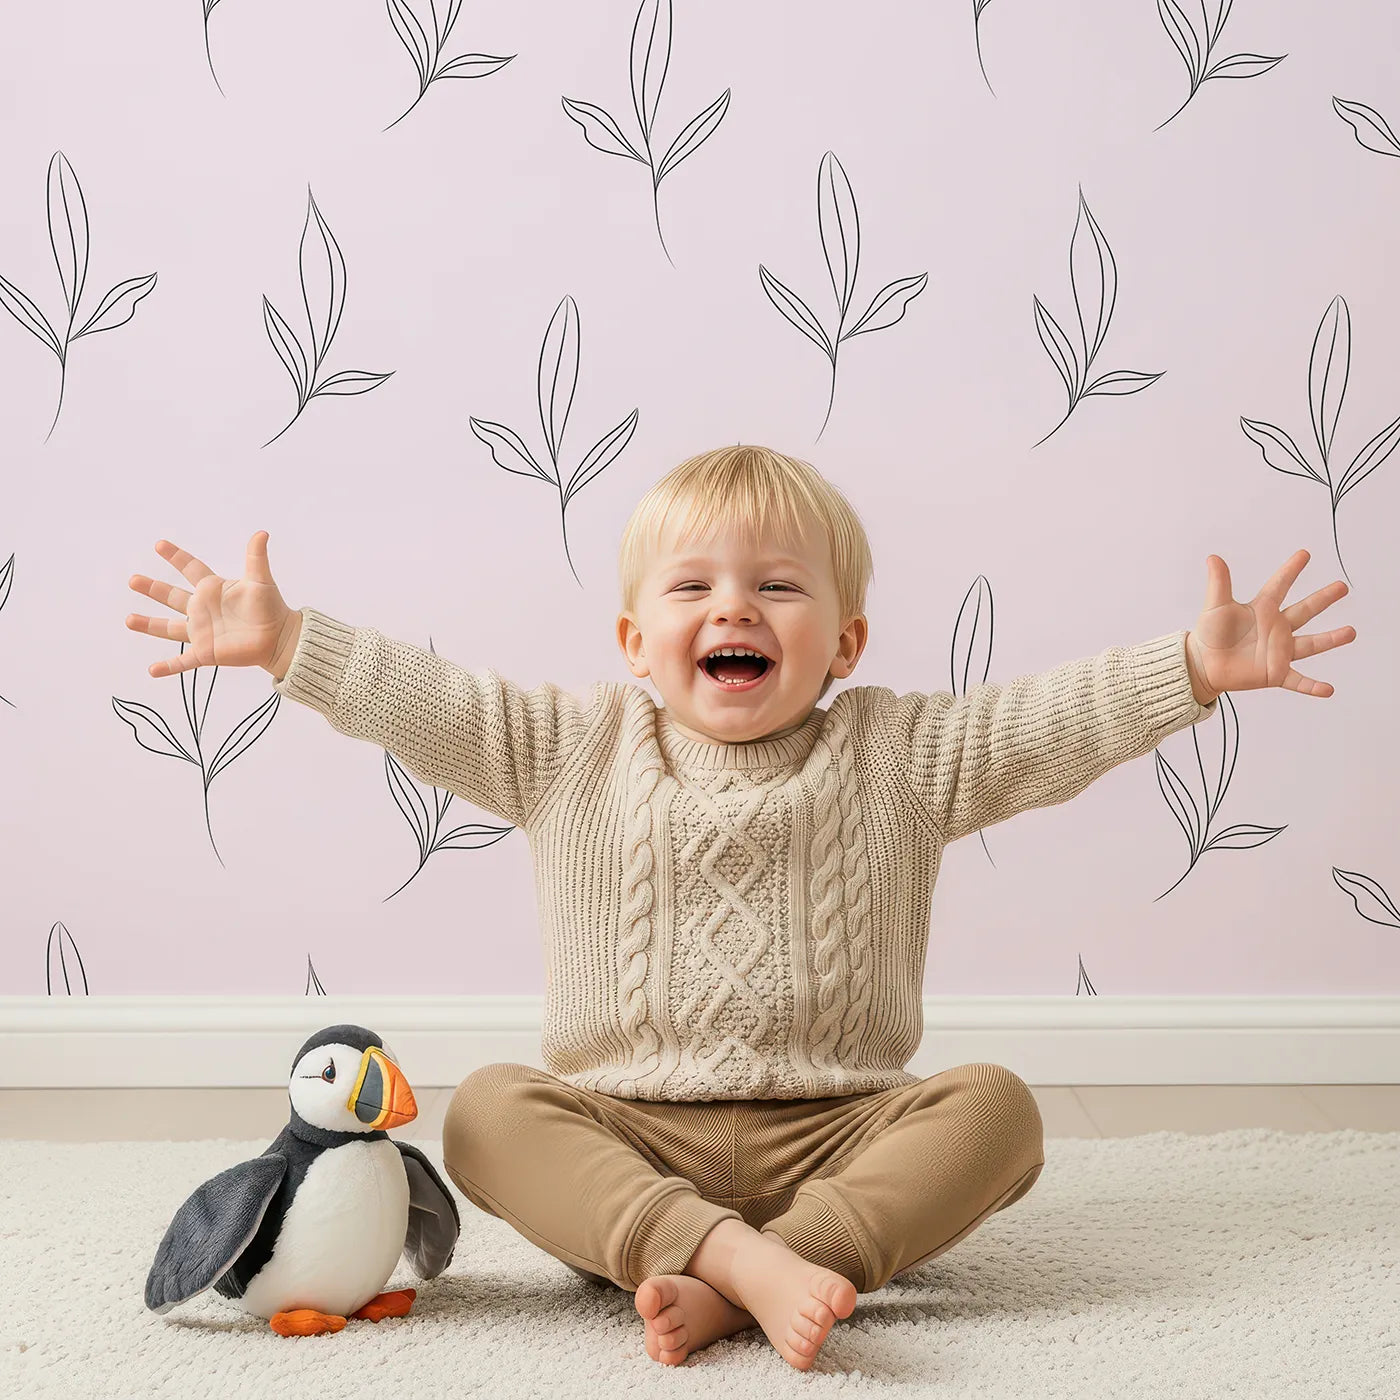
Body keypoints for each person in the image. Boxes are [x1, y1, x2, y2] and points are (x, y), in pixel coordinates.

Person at [124, 444, 1355, 1371]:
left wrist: (1189, 669)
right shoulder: (569, 746)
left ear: (844, 641)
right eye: (692, 586)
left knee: (996, 1109)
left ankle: (758, 1264)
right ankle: (741, 1262)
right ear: (630, 638)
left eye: (777, 585)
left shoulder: (901, 753)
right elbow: (426, 699)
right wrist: (290, 644)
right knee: (491, 1110)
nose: (733, 608)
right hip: (630, 1137)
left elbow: (1046, 723)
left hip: (838, 1132)